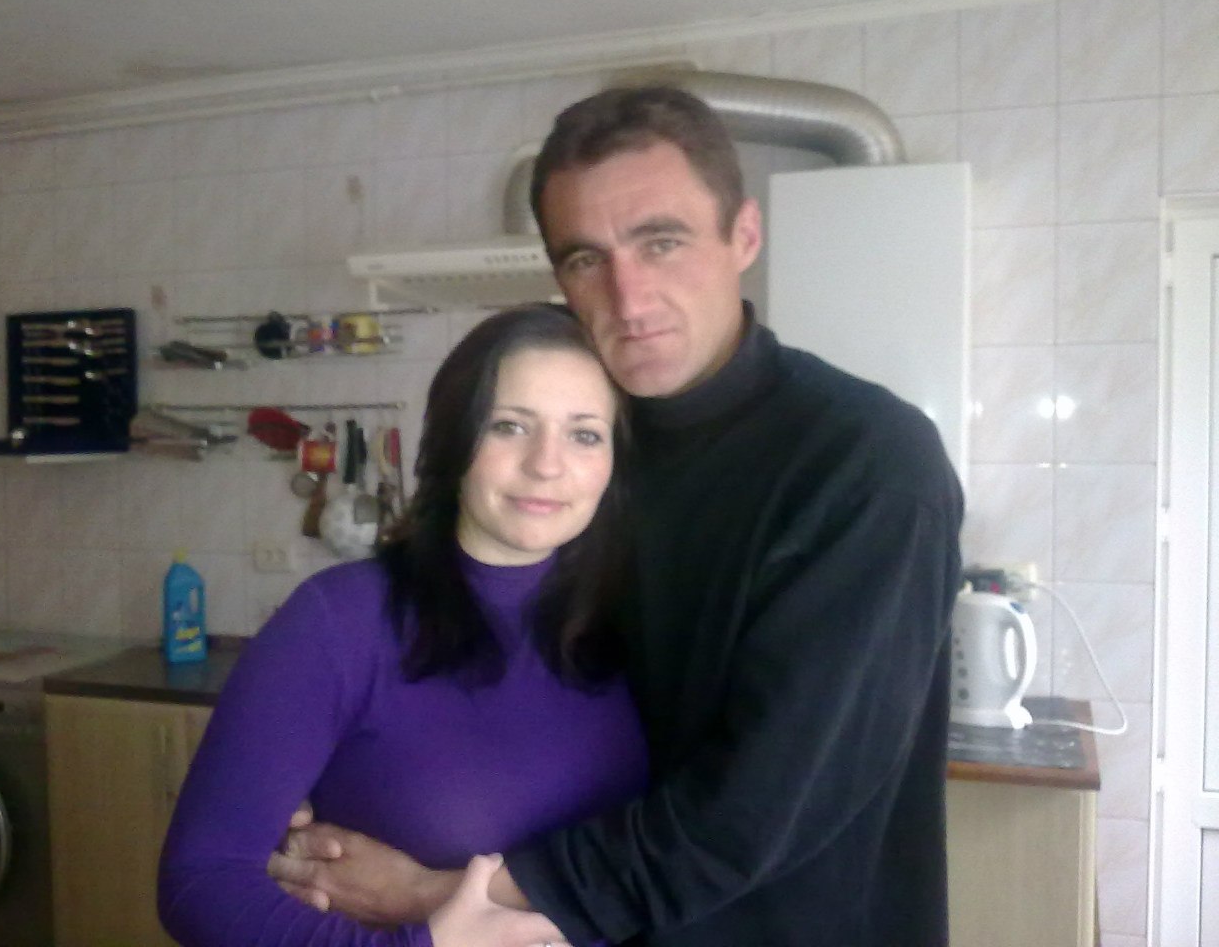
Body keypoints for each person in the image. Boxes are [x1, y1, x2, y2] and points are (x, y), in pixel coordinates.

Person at [269, 85, 965, 947]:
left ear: (744, 236)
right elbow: (499, 663)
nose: (629, 298)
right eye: (585, 259)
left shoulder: (865, 464)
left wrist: (442, 896)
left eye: (661, 242)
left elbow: (753, 814)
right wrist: (329, 775)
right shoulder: (589, 451)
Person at [157, 303, 649, 947]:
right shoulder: (339, 622)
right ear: (453, 440)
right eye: (508, 426)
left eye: (585, 434)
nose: (546, 464)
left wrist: (423, 893)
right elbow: (201, 883)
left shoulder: (643, 623)